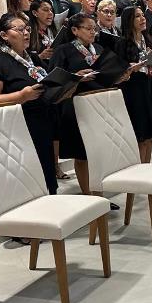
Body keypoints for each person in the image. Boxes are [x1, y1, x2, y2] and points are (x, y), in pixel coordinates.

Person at [0, 14, 58, 195]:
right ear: (4, 35)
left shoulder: (32, 58)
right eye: (20, 30)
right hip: (15, 131)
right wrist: (20, 96)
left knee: (46, 180)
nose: (26, 33)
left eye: (27, 29)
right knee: (29, 184)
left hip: (41, 125)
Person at [50, 13, 127, 201]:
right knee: (82, 153)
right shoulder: (63, 50)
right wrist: (76, 76)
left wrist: (119, 76)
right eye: (89, 28)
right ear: (75, 30)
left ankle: (99, 193)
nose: (93, 32)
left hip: (99, 104)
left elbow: (106, 76)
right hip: (76, 104)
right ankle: (88, 195)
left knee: (98, 151)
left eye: (95, 29)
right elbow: (54, 79)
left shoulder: (99, 48)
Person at [115, 7, 152, 163]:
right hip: (134, 91)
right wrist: (131, 68)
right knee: (140, 136)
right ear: (129, 20)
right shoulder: (123, 43)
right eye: (138, 16)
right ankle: (138, 170)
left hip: (150, 88)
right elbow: (118, 72)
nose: (143, 18)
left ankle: (147, 168)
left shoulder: (148, 39)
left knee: (149, 136)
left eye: (143, 15)